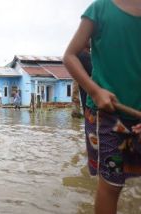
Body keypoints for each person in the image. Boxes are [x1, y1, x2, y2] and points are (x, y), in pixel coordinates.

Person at [63, 1, 141, 213]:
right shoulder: (100, 9)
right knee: (111, 183)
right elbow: (69, 55)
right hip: (107, 115)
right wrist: (96, 91)